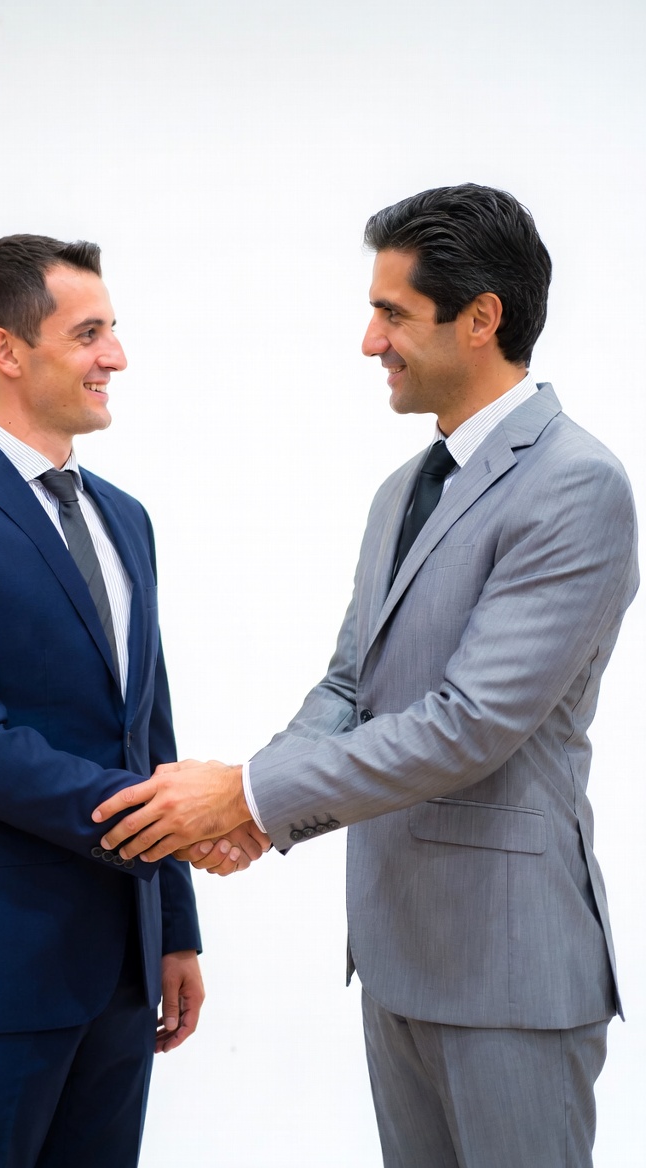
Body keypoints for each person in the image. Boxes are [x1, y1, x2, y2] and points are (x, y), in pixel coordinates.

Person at [90, 185, 639, 1166]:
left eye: (391, 313)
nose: (367, 340)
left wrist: (248, 791)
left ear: (481, 318)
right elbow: (349, 685)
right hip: (395, 956)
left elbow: (470, 722)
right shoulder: (404, 489)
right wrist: (252, 807)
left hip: (510, 971)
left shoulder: (575, 484)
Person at [0, 234, 231, 1167]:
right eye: (90, 333)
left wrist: (175, 928)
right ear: (7, 350)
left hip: (123, 966)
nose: (116, 356)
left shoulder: (125, 517)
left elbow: (146, 729)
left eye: (113, 331)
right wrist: (164, 821)